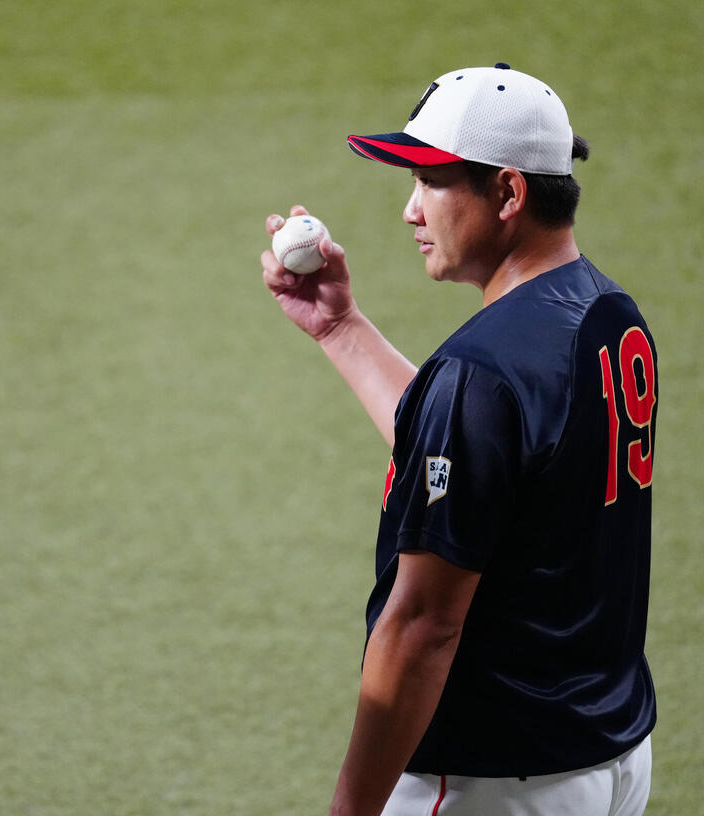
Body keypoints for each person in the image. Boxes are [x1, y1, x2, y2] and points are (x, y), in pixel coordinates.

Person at [261, 64, 657, 815]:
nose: (410, 211)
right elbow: (485, 458)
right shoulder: (608, 313)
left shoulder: (481, 371)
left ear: (507, 193)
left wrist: (352, 810)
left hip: (494, 779)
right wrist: (340, 328)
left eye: (430, 183)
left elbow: (421, 628)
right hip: (609, 759)